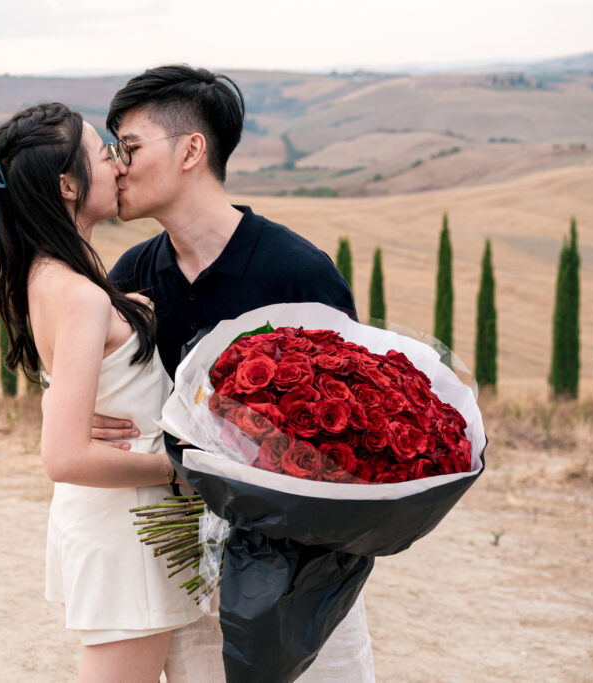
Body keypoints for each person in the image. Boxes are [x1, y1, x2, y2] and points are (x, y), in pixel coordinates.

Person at [92, 65, 377, 681]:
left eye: (131, 148)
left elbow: (355, 431)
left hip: (299, 581)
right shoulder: (132, 276)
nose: (117, 165)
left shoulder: (297, 273)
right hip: (180, 569)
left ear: (193, 149)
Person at [0, 102, 207, 683]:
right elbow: (62, 457)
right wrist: (187, 470)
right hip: (126, 525)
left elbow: (79, 384)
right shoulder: (78, 294)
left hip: (120, 519)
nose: (118, 165)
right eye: (104, 153)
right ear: (67, 184)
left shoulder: (51, 275)